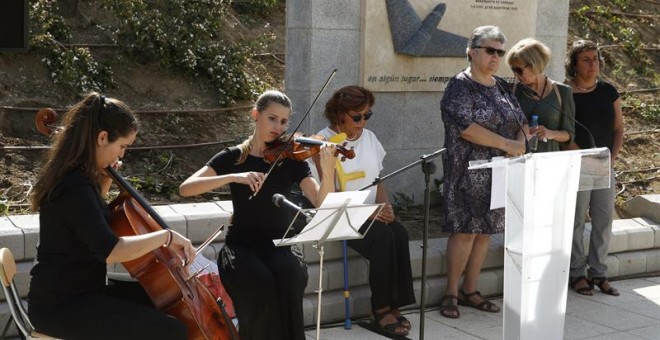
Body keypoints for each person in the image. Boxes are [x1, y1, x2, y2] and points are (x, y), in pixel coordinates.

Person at [28, 92, 194, 340]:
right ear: (102, 137)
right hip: (62, 306)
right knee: (172, 332)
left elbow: (90, 221)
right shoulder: (75, 187)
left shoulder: (78, 179)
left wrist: (103, 184)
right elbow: (111, 250)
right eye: (122, 146)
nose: (122, 155)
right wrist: (166, 237)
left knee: (161, 300)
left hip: (82, 290)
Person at [178, 90, 337, 340]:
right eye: (272, 118)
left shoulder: (291, 159)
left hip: (281, 242)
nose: (278, 126)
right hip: (241, 245)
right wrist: (234, 176)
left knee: (290, 276)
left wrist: (327, 171)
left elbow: (321, 202)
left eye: (284, 121)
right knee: (258, 282)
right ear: (256, 115)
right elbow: (186, 188)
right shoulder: (234, 157)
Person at [309, 85, 416, 337]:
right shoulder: (322, 143)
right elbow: (328, 195)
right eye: (357, 117)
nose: (363, 122)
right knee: (381, 237)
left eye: (367, 115)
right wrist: (367, 212)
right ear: (339, 115)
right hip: (340, 214)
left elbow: (377, 179)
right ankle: (379, 310)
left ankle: (395, 304)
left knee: (398, 232)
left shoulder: (370, 139)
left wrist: (385, 206)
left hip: (371, 213)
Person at [439, 25, 527, 319]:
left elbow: (521, 120)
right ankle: (451, 291)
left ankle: (471, 289)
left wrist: (521, 141)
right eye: (490, 50)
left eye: (500, 52)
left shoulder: (501, 86)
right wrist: (508, 144)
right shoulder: (459, 86)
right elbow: (468, 129)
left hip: (499, 172)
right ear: (471, 51)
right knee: (465, 231)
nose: (495, 57)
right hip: (467, 173)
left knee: (486, 233)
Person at [565, 40, 624, 296]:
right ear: (574, 64)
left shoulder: (609, 91)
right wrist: (580, 153)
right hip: (576, 162)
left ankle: (598, 273)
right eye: (586, 59)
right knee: (576, 220)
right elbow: (563, 131)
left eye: (596, 59)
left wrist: (613, 157)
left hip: (604, 163)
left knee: (603, 220)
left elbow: (618, 127)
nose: (593, 64)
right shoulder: (565, 92)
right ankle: (577, 274)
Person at [506, 38, 576, 152]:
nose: (515, 75)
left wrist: (549, 133)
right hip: (517, 161)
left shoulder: (562, 92)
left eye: (519, 70)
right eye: (513, 69)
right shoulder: (511, 89)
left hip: (548, 162)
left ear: (535, 65)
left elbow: (569, 134)